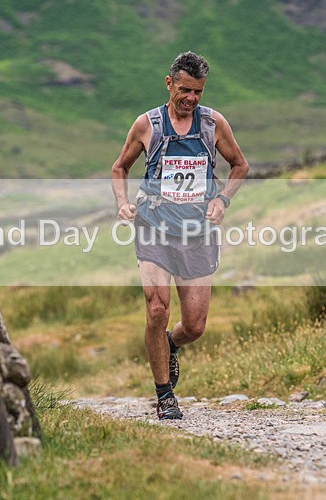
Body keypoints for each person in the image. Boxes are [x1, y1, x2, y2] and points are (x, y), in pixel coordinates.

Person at [111, 51, 249, 419]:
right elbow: (119, 168)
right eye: (185, 90)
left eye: (198, 92)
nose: (191, 98)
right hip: (154, 225)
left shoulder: (213, 124)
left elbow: (240, 165)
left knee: (195, 326)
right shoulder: (148, 124)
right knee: (157, 308)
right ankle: (164, 395)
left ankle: (170, 344)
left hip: (196, 231)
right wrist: (123, 203)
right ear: (169, 83)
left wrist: (222, 199)